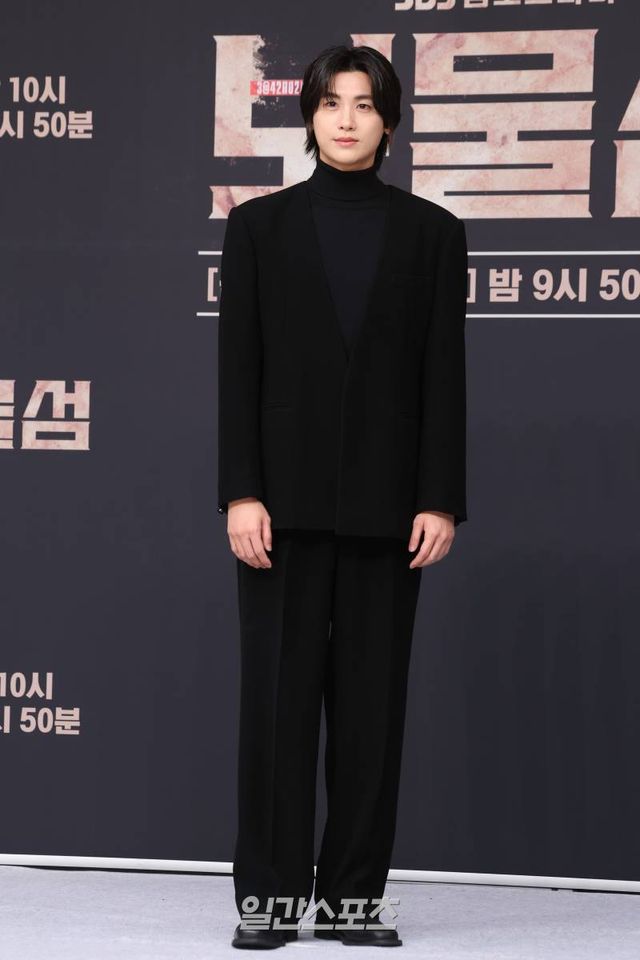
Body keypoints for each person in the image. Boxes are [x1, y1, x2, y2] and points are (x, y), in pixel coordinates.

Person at [218, 44, 468, 950]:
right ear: (310, 117)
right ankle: (269, 903)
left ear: (390, 121)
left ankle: (354, 901)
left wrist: (439, 499)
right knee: (276, 713)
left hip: (388, 511)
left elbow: (444, 377)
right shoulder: (258, 227)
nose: (348, 119)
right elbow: (238, 372)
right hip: (277, 513)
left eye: (365, 104)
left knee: (371, 715)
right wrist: (240, 493)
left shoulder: (434, 234)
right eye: (331, 102)